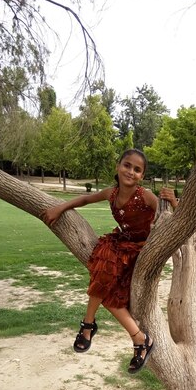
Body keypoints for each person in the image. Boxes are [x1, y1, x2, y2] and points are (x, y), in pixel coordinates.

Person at [42, 149, 177, 374]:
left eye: (137, 169)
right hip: (119, 242)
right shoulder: (111, 193)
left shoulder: (145, 196)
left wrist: (173, 202)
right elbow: (85, 199)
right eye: (127, 165)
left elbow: (178, 221)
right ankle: (138, 339)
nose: (130, 172)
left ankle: (89, 326)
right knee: (103, 275)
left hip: (140, 249)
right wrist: (61, 207)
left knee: (106, 281)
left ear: (142, 176)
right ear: (118, 166)